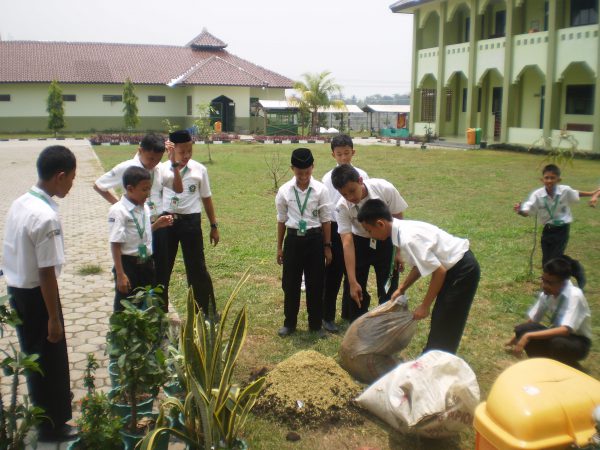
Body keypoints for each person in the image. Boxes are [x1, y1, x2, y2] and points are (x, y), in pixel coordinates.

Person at [2, 145, 78, 442]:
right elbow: (47, 273)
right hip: (38, 295)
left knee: (34, 357)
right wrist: (54, 318)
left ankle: (41, 415)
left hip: (18, 290)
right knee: (51, 361)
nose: (72, 184)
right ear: (59, 177)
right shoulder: (46, 217)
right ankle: (53, 426)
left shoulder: (21, 202)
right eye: (72, 178)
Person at [357, 199, 480, 355]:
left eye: (369, 230)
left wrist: (424, 306)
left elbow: (439, 271)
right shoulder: (401, 230)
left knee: (446, 320)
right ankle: (433, 357)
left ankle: (437, 363)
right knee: (441, 317)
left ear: (380, 224)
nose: (369, 235)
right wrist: (402, 288)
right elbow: (420, 264)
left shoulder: (408, 238)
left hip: (462, 270)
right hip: (454, 267)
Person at [94, 133, 182, 310]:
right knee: (133, 280)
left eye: (157, 159)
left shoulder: (158, 170)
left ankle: (157, 314)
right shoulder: (127, 168)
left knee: (159, 274)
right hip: (134, 230)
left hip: (156, 226)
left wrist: (173, 163)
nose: (153, 163)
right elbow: (99, 185)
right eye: (150, 158)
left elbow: (178, 188)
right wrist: (122, 206)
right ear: (140, 150)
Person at [332, 164, 407, 322]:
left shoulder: (384, 189)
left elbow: (398, 220)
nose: (350, 197)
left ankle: (388, 321)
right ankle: (358, 321)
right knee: (356, 285)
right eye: (344, 194)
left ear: (360, 180)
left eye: (352, 191)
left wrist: (398, 251)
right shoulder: (341, 207)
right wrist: (352, 281)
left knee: (388, 283)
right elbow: (347, 242)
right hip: (359, 243)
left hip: (386, 240)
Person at [159, 130, 219, 314]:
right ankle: (159, 312)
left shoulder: (199, 170)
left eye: (189, 151)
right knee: (162, 267)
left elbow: (206, 198)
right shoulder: (161, 169)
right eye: (182, 151)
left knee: (197, 268)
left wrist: (213, 225)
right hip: (166, 222)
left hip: (191, 223)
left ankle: (205, 311)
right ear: (171, 148)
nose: (186, 155)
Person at [276, 148, 332, 337]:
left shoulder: (321, 190)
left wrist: (327, 246)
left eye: (307, 172)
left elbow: (326, 220)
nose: (304, 177)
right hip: (292, 240)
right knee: (290, 283)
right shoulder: (284, 191)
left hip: (315, 239)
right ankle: (289, 323)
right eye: (300, 173)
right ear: (292, 169)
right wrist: (279, 247)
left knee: (315, 283)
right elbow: (281, 220)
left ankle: (315, 324)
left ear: (313, 168)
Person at [506, 257, 591, 368]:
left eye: (549, 282)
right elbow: (533, 320)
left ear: (563, 283)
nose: (544, 285)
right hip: (558, 335)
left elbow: (566, 330)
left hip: (578, 342)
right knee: (523, 329)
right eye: (543, 280)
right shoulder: (547, 293)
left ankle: (570, 367)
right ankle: (543, 365)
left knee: (557, 343)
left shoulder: (575, 295)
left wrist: (527, 336)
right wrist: (517, 337)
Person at [321, 134, 369, 331]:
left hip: (356, 231)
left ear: (353, 152)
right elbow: (325, 208)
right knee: (333, 273)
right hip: (334, 228)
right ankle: (327, 316)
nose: (343, 158)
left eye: (346, 153)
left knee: (355, 272)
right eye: (339, 154)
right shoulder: (327, 178)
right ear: (333, 155)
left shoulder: (362, 175)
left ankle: (350, 312)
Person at [109, 166, 173, 312]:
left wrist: (157, 224)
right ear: (130, 188)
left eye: (149, 188)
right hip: (128, 265)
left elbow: (140, 233)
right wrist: (120, 274)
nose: (148, 193)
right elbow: (115, 243)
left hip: (146, 263)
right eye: (144, 189)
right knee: (125, 307)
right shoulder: (118, 211)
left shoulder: (144, 207)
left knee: (147, 304)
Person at [514, 164, 597, 265]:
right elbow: (527, 211)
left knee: (555, 258)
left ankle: (558, 276)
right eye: (547, 178)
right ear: (542, 179)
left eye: (552, 178)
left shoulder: (565, 190)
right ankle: (548, 278)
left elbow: (576, 193)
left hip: (562, 229)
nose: (549, 180)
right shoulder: (537, 195)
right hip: (548, 230)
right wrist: (520, 211)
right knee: (546, 259)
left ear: (559, 180)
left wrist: (592, 193)